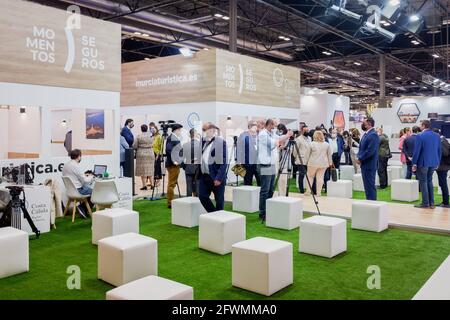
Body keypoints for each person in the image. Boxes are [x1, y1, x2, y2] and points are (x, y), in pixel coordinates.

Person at [257, 119, 293, 221]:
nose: (275, 128)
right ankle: (262, 212)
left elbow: (279, 138)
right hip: (265, 164)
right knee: (265, 190)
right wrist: (287, 136)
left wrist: (287, 136)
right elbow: (274, 143)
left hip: (273, 164)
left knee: (271, 189)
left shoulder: (272, 133)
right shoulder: (263, 134)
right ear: (270, 125)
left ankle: (268, 209)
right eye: (274, 126)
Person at [412, 120, 441, 209]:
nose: (419, 126)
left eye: (420, 125)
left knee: (423, 182)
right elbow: (439, 150)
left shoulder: (420, 136)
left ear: (424, 125)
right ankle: (431, 202)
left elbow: (417, 151)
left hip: (423, 162)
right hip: (433, 162)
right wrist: (437, 162)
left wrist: (414, 163)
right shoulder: (437, 136)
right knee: (429, 181)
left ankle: (425, 203)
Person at [199, 123, 227, 212]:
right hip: (204, 175)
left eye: (206, 130)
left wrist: (218, 178)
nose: (204, 132)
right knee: (202, 196)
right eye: (204, 130)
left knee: (219, 200)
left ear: (212, 130)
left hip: (216, 176)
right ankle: (213, 214)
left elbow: (223, 162)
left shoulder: (220, 142)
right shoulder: (202, 141)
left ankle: (219, 218)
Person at [62, 149, 94, 218]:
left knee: (87, 189)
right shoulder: (75, 166)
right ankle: (82, 208)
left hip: (70, 191)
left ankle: (83, 209)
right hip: (78, 191)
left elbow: (75, 177)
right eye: (80, 156)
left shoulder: (66, 165)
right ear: (79, 156)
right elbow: (85, 180)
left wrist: (85, 176)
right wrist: (91, 177)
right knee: (95, 192)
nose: (80, 158)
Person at [304, 130, 333, 196]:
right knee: (320, 178)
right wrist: (330, 163)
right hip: (323, 164)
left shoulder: (311, 144)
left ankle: (308, 192)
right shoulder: (326, 144)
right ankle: (319, 193)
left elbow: (307, 154)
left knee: (310, 177)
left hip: (312, 163)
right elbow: (329, 155)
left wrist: (305, 163)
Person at [357, 118, 379, 201]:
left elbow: (370, 151)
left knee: (370, 185)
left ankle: (372, 202)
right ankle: (369, 201)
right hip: (365, 164)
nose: (362, 124)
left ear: (369, 124)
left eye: (364, 122)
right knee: (367, 185)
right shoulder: (367, 134)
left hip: (369, 164)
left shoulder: (373, 134)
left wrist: (360, 158)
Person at [165, 123, 183, 209]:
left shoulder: (173, 138)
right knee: (171, 184)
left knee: (172, 183)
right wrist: (175, 160)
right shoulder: (172, 138)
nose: (181, 132)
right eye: (180, 130)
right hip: (173, 165)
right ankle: (170, 203)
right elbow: (169, 150)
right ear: (177, 130)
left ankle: (170, 201)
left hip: (174, 164)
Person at [237, 120, 260, 186]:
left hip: (258, 163)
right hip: (247, 163)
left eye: (256, 125)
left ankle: (260, 195)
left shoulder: (258, 135)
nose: (256, 127)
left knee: (260, 181)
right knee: (248, 182)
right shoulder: (243, 135)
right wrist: (238, 161)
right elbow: (239, 148)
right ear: (249, 126)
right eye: (254, 125)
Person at [133, 124, 155, 191]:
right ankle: (152, 185)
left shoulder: (139, 136)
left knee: (143, 170)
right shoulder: (151, 136)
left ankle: (144, 185)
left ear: (141, 129)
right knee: (150, 169)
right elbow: (153, 144)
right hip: (150, 153)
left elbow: (135, 146)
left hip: (141, 154)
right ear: (147, 128)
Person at [182, 128, 201, 197]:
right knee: (198, 187)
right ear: (195, 134)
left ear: (190, 135)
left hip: (188, 168)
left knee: (189, 187)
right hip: (198, 168)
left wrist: (185, 166)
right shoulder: (200, 145)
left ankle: (188, 204)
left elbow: (181, 158)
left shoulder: (185, 145)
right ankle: (198, 203)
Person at [293, 124, 311, 194]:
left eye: (307, 130)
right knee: (301, 175)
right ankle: (301, 190)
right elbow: (295, 150)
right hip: (301, 160)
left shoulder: (309, 138)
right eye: (305, 130)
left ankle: (308, 189)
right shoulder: (298, 139)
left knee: (309, 175)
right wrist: (296, 157)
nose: (307, 131)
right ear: (301, 131)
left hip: (309, 159)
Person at [435, 128, 450, 208]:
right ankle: (445, 202)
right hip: (443, 166)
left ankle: (446, 203)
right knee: (442, 184)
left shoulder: (441, 141)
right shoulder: (443, 140)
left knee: (443, 184)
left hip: (442, 166)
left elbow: (445, 153)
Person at [150, 122, 163, 188]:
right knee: (153, 168)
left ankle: (158, 181)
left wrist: (158, 155)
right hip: (151, 153)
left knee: (157, 167)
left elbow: (161, 146)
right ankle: (154, 181)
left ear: (156, 129)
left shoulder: (159, 137)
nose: (152, 130)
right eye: (151, 129)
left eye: (153, 128)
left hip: (157, 153)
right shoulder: (151, 136)